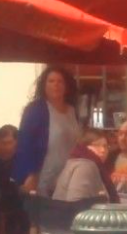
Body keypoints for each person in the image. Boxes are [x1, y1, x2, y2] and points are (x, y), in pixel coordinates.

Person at [13, 66, 82, 196]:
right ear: (44, 85)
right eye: (51, 81)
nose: (55, 85)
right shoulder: (35, 110)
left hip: (69, 176)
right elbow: (25, 144)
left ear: (67, 85)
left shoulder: (72, 111)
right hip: (43, 176)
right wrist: (30, 173)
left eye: (60, 81)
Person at [53, 130, 118, 203]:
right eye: (97, 145)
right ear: (84, 146)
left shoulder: (82, 163)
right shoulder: (85, 165)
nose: (103, 150)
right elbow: (77, 203)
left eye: (105, 146)